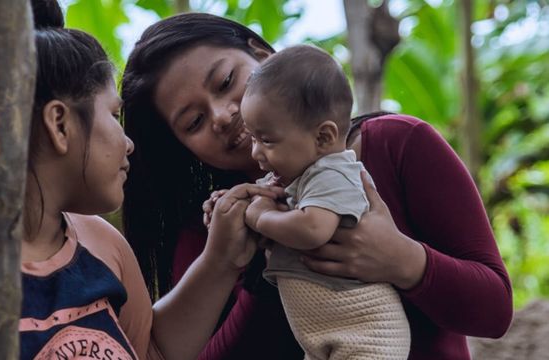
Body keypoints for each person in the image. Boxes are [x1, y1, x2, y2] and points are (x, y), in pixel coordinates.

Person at [121, 12, 513, 360]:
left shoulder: (398, 145)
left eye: (226, 82)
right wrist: (242, 266)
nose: (223, 116)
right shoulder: (215, 228)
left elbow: (494, 310)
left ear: (263, 57)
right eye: (193, 122)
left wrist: (403, 260)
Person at [21, 3, 283, 359]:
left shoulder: (101, 243)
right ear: (60, 124)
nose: (127, 143)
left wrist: (221, 258)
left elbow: (149, 350)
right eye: (113, 115)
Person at [234, 44, 410, 359]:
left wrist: (261, 218)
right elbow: (261, 204)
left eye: (267, 140)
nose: (255, 152)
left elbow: (313, 228)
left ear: (323, 137)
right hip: (328, 335)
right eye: (253, 138)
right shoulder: (299, 176)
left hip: (368, 335)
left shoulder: (334, 172)